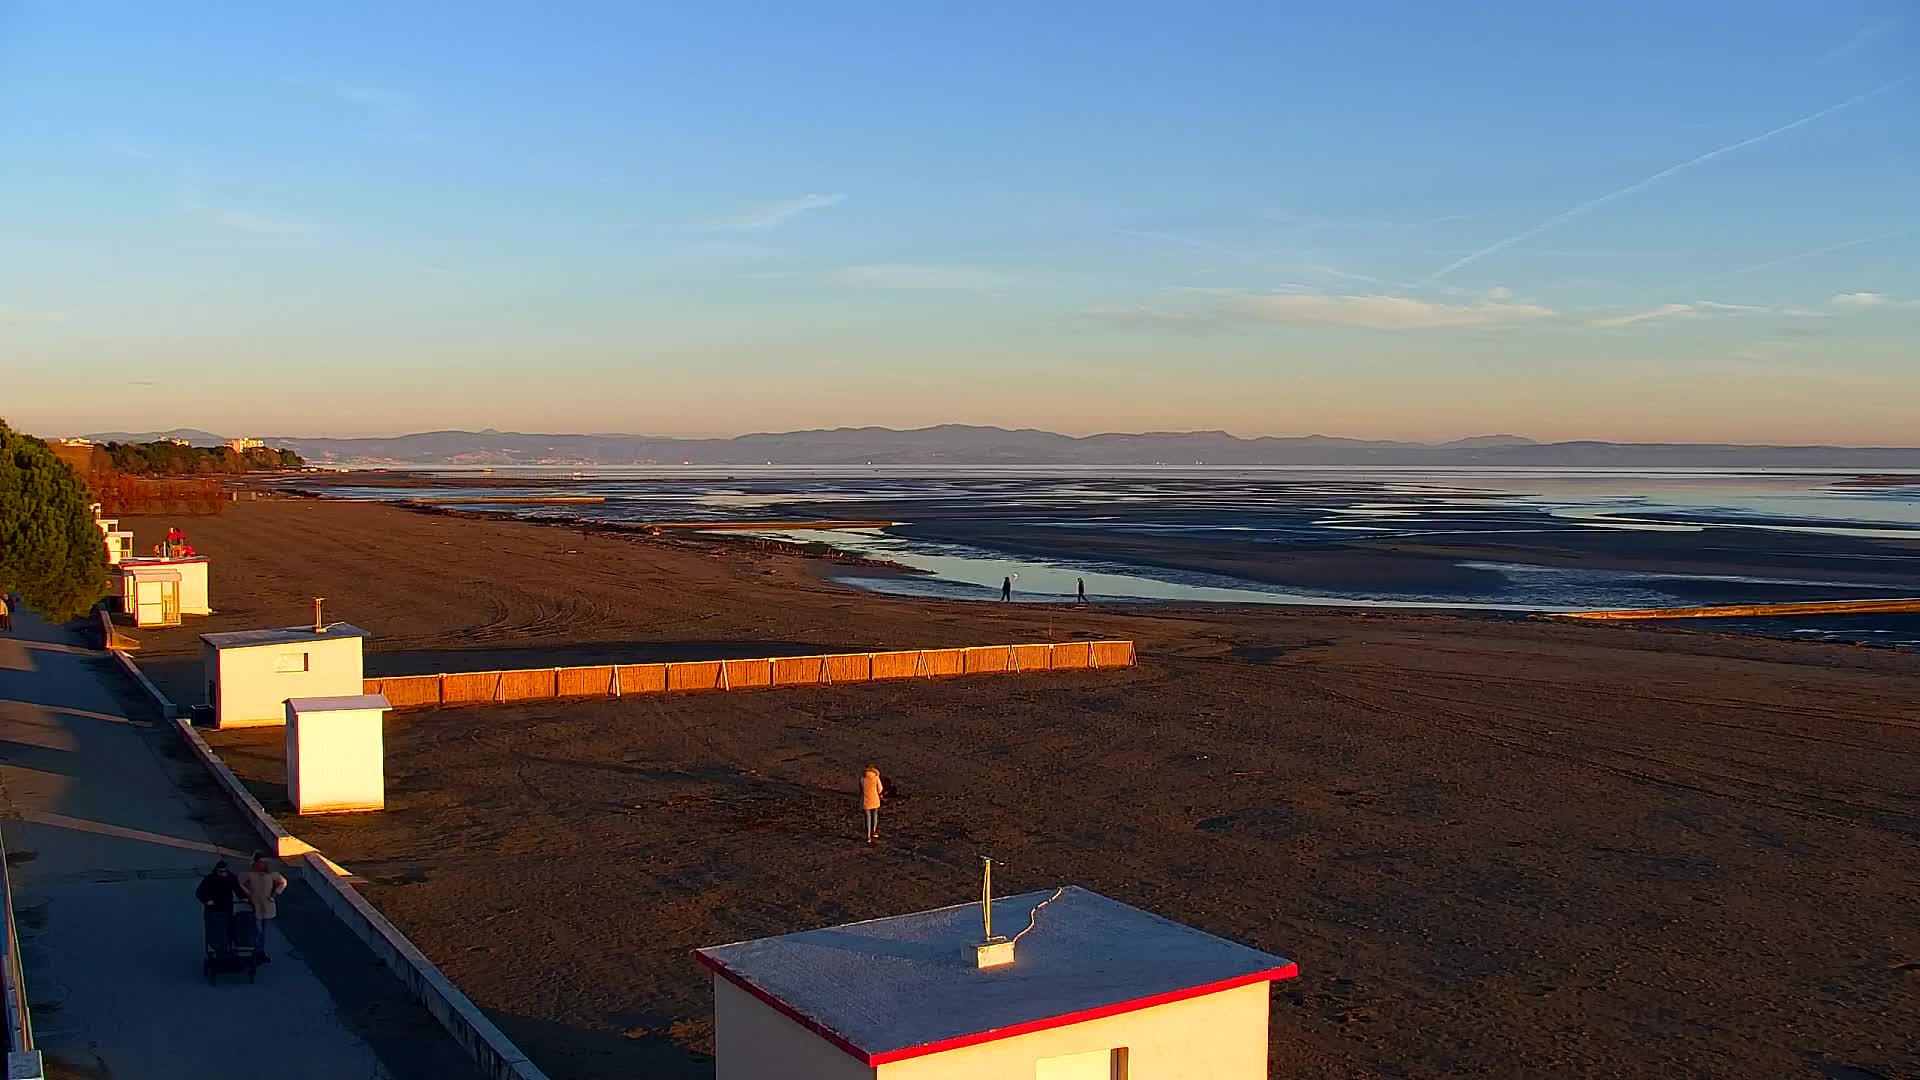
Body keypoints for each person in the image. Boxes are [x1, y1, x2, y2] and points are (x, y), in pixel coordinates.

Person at [240, 852, 288, 959]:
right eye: (260, 862)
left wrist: (274, 894)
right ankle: (256, 950)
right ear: (256, 862)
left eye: (264, 862)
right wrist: (248, 894)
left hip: (267, 906)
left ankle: (260, 951)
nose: (262, 864)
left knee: (264, 931)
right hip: (255, 905)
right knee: (258, 930)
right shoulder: (250, 874)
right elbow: (240, 883)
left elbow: (283, 882)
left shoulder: (272, 874)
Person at [861, 765, 885, 844]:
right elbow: (880, 789)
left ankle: (868, 836)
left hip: (865, 800)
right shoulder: (876, 778)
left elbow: (861, 789)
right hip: (874, 799)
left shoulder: (863, 778)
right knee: (875, 814)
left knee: (867, 817)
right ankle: (874, 831)